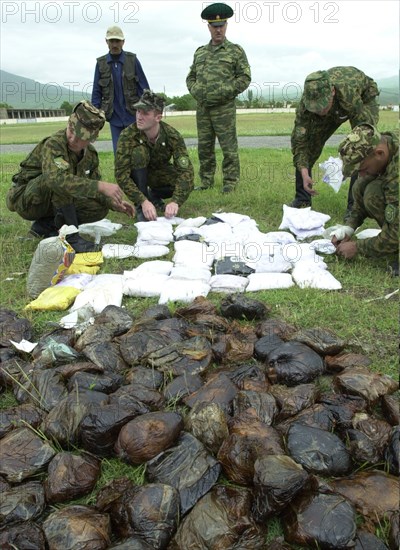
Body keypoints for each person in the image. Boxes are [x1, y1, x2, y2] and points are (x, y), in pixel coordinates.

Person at [6, 101, 135, 253]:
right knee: (61, 181)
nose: (73, 138)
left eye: (81, 136)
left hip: (50, 201)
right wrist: (100, 186)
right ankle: (72, 238)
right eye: (71, 130)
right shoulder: (54, 144)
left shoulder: (90, 155)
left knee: (99, 208)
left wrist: (113, 203)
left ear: (92, 138)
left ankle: (46, 226)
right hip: (26, 200)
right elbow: (56, 180)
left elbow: (91, 189)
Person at [290, 66, 380, 220]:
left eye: (322, 105)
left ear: (332, 92)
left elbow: (362, 136)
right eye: (315, 107)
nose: (319, 111)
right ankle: (302, 199)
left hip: (364, 97)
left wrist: (347, 165)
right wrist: (304, 171)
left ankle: (354, 207)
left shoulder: (348, 94)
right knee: (309, 144)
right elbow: (300, 141)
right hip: (336, 105)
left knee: (362, 147)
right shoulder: (307, 105)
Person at [186, 2, 251, 193]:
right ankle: (206, 182)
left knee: (229, 148)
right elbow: (190, 77)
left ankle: (230, 183)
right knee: (204, 147)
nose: (218, 30)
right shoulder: (200, 52)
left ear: (226, 26)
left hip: (224, 109)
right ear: (208, 27)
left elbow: (245, 78)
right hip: (203, 109)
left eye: (221, 25)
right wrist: (196, 90)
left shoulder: (235, 51)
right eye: (214, 27)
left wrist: (224, 91)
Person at [115, 90, 194, 222]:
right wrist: (142, 201)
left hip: (158, 174)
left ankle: (153, 196)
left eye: (145, 113)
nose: (139, 116)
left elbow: (186, 172)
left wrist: (176, 201)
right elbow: (121, 174)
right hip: (137, 176)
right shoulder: (127, 136)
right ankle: (142, 206)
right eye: (138, 111)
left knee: (184, 183)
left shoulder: (172, 135)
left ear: (158, 118)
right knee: (139, 153)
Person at [331, 123, 398, 274]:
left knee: (374, 193)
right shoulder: (387, 143)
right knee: (362, 185)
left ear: (379, 154)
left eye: (363, 169)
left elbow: (397, 233)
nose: (360, 174)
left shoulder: (397, 175)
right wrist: (349, 227)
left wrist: (358, 247)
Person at [91, 25, 150, 154]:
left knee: (138, 153)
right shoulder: (101, 64)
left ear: (123, 42)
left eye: (117, 41)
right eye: (111, 41)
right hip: (114, 118)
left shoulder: (132, 60)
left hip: (134, 116)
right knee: (119, 154)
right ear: (106, 42)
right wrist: (94, 117)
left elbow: (144, 89)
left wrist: (146, 112)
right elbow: (96, 92)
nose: (115, 44)